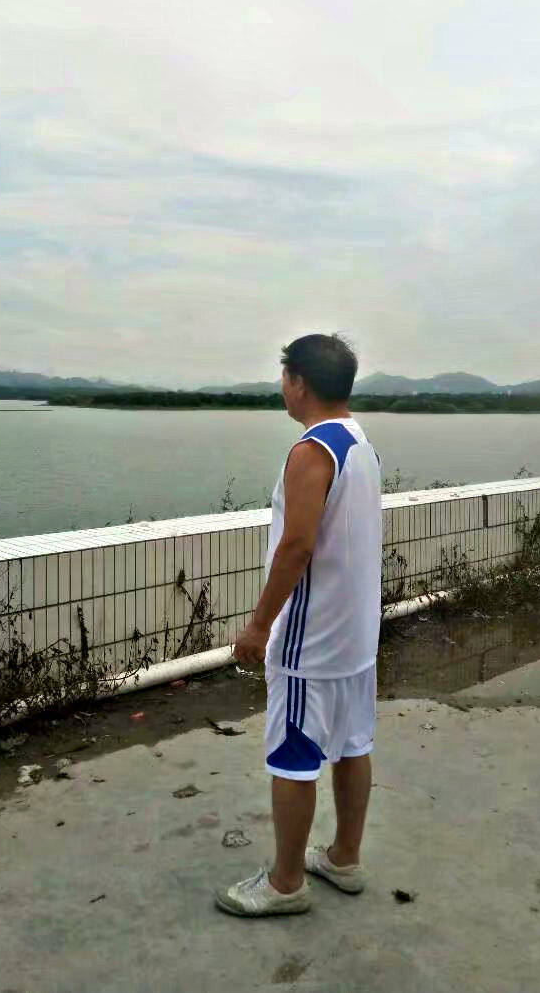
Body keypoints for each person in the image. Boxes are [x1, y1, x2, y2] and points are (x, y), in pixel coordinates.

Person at [216, 333, 382, 917]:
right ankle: (344, 857)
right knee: (352, 744)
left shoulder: (312, 451)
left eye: (285, 375)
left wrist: (259, 626)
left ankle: (285, 884)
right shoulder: (359, 443)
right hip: (356, 636)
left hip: (312, 641)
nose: (282, 385)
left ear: (300, 382)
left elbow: (297, 546)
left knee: (293, 756)